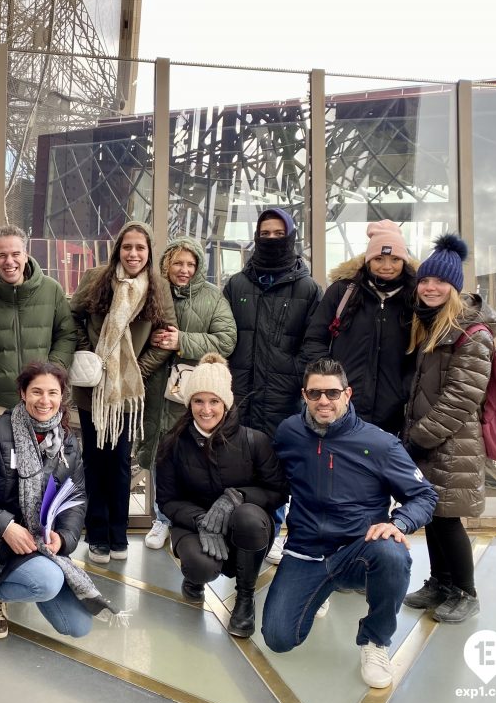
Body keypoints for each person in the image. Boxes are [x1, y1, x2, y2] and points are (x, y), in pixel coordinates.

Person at [262, 358, 437, 689]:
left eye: (332, 392)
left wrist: (399, 522)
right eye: (315, 393)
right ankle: (319, 591)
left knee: (392, 551)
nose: (323, 401)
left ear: (347, 394)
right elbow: (272, 483)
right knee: (278, 638)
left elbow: (424, 496)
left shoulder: (380, 444)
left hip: (358, 551)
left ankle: (375, 641)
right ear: (304, 395)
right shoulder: (289, 433)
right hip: (306, 552)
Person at [0, 362, 122, 640]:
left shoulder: (66, 442)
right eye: (36, 392)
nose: (45, 401)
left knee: (77, 627)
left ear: (62, 397)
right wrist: (5, 526)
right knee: (48, 582)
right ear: (22, 393)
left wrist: (64, 538)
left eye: (53, 393)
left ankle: (28, 576)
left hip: (37, 541)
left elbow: (75, 496)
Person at [156, 354, 286, 637]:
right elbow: (166, 500)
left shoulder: (255, 441)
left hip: (243, 525)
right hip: (194, 525)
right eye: (198, 401)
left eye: (214, 401)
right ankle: (194, 579)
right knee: (201, 565)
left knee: (250, 518)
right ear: (189, 403)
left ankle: (245, 598)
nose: (206, 409)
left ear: (226, 403)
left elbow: (277, 491)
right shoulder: (173, 444)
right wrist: (201, 519)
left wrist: (237, 496)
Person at [69, 221, 176, 564]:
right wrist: (91, 357)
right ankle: (97, 533)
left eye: (140, 248)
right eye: (127, 247)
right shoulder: (96, 279)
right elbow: (72, 318)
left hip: (128, 394)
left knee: (119, 463)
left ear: (149, 253)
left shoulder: (157, 288)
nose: (133, 254)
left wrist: (138, 373)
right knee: (93, 461)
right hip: (93, 393)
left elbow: (165, 338)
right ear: (118, 249)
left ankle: (119, 533)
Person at [402, 234, 494, 624]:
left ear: (454, 287)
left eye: (440, 282)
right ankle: (440, 581)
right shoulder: (435, 326)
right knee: (434, 515)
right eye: (425, 281)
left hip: (452, 445)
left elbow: (461, 398)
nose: (430, 287)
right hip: (434, 443)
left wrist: (420, 435)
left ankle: (465, 592)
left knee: (449, 520)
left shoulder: (472, 334)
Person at [224, 208, 321, 563]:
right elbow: (226, 335)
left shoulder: (308, 289)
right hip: (241, 395)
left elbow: (314, 343)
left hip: (283, 398)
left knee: (279, 471)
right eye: (265, 233)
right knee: (238, 467)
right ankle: (241, 532)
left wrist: (295, 376)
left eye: (279, 233)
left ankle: (276, 531)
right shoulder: (237, 284)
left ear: (291, 237)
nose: (271, 239)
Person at [139, 237, 238, 551]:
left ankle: (195, 516)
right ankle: (162, 517)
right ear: (166, 263)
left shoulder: (212, 297)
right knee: (159, 454)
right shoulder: (149, 293)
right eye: (177, 263)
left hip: (191, 391)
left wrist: (181, 340)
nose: (183, 270)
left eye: (190, 264)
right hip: (154, 388)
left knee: (192, 453)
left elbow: (226, 340)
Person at [300, 219, 417, 437]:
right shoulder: (343, 292)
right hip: (341, 405)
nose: (387, 266)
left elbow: (421, 351)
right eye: (379, 259)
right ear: (367, 260)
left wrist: (404, 390)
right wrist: (330, 379)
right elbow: (315, 339)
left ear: (405, 261)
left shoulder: (414, 299)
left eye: (395, 259)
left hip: (392, 412)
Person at [0, 225, 77, 418]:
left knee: (43, 449)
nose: (9, 261)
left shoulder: (51, 290)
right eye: (2, 255)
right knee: (0, 449)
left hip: (42, 400)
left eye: (15, 254)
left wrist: (53, 370)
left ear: (25, 255)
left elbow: (67, 334)